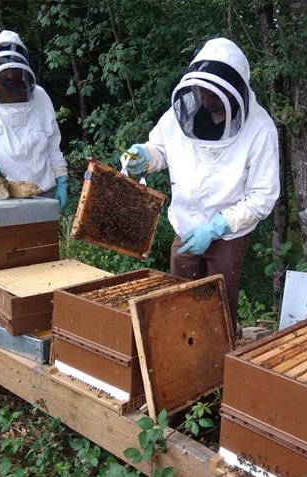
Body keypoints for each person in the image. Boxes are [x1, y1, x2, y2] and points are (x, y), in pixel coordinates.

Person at [124, 38, 280, 323]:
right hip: (184, 226)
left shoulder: (260, 128)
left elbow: (263, 196)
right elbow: (161, 147)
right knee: (179, 301)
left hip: (228, 236)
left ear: (234, 93)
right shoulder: (181, 113)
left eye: (213, 94)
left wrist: (217, 226)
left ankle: (219, 360)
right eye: (201, 91)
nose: (205, 99)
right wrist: (145, 155)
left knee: (217, 310)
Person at [0, 30, 69, 210]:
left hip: (39, 190)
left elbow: (52, 142)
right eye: (6, 72)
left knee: (42, 239)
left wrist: (61, 177)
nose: (11, 77)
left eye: (15, 73)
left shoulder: (40, 96)